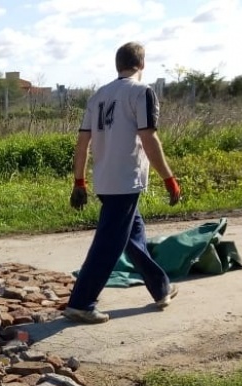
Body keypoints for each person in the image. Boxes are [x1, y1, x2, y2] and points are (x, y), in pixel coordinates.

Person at [63, 42, 182, 325]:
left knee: (133, 237)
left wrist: (79, 180)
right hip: (126, 180)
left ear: (118, 64)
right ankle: (81, 302)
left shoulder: (98, 96)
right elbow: (149, 138)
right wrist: (169, 177)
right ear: (142, 63)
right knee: (109, 244)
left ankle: (160, 287)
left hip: (105, 180)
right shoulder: (142, 92)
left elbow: (82, 143)